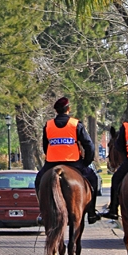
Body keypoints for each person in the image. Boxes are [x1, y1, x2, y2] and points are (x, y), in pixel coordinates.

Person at [35, 96, 102, 224]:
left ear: (56, 111)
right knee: (93, 178)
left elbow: (45, 146)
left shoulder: (48, 126)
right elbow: (89, 146)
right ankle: (92, 213)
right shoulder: (76, 124)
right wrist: (85, 162)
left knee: (38, 181)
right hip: (74, 163)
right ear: (68, 109)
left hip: (52, 164)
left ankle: (43, 212)